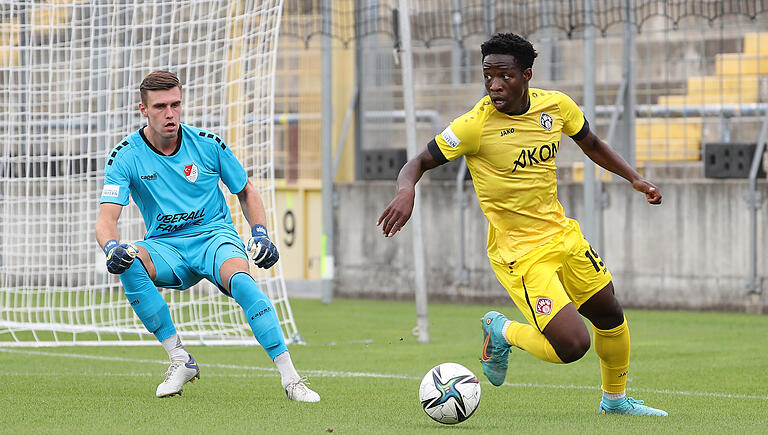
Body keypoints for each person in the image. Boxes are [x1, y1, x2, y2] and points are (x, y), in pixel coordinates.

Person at [378, 33, 667, 416]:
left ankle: (614, 401)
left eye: (505, 76)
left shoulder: (556, 106)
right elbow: (416, 163)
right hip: (521, 253)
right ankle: (502, 330)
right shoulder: (473, 126)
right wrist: (405, 190)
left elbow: (592, 143)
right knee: (572, 346)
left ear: (527, 74)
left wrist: (634, 178)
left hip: (563, 235)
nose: (495, 85)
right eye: (488, 76)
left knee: (610, 314)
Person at [95, 70, 320, 402]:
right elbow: (106, 219)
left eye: (175, 104)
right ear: (143, 110)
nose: (170, 114)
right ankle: (179, 359)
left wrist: (261, 234)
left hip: (214, 237)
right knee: (128, 259)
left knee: (243, 283)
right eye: (160, 107)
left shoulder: (208, 144)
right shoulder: (125, 155)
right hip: (166, 247)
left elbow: (246, 191)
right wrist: (112, 247)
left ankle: (291, 379)